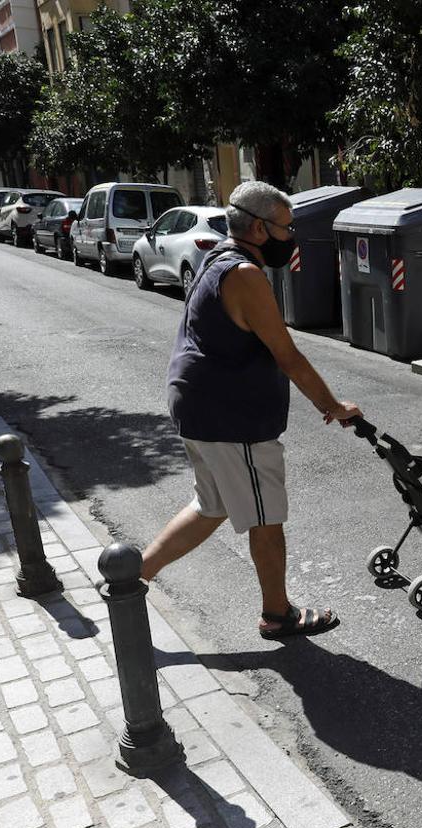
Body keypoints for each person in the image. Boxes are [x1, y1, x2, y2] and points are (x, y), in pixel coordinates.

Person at [141, 180, 361, 638]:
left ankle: (133, 573)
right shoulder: (245, 275)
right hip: (231, 417)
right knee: (265, 515)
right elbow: (287, 354)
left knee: (212, 504)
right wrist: (332, 405)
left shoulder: (215, 258)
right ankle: (277, 615)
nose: (292, 236)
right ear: (260, 229)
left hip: (197, 405)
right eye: (287, 228)